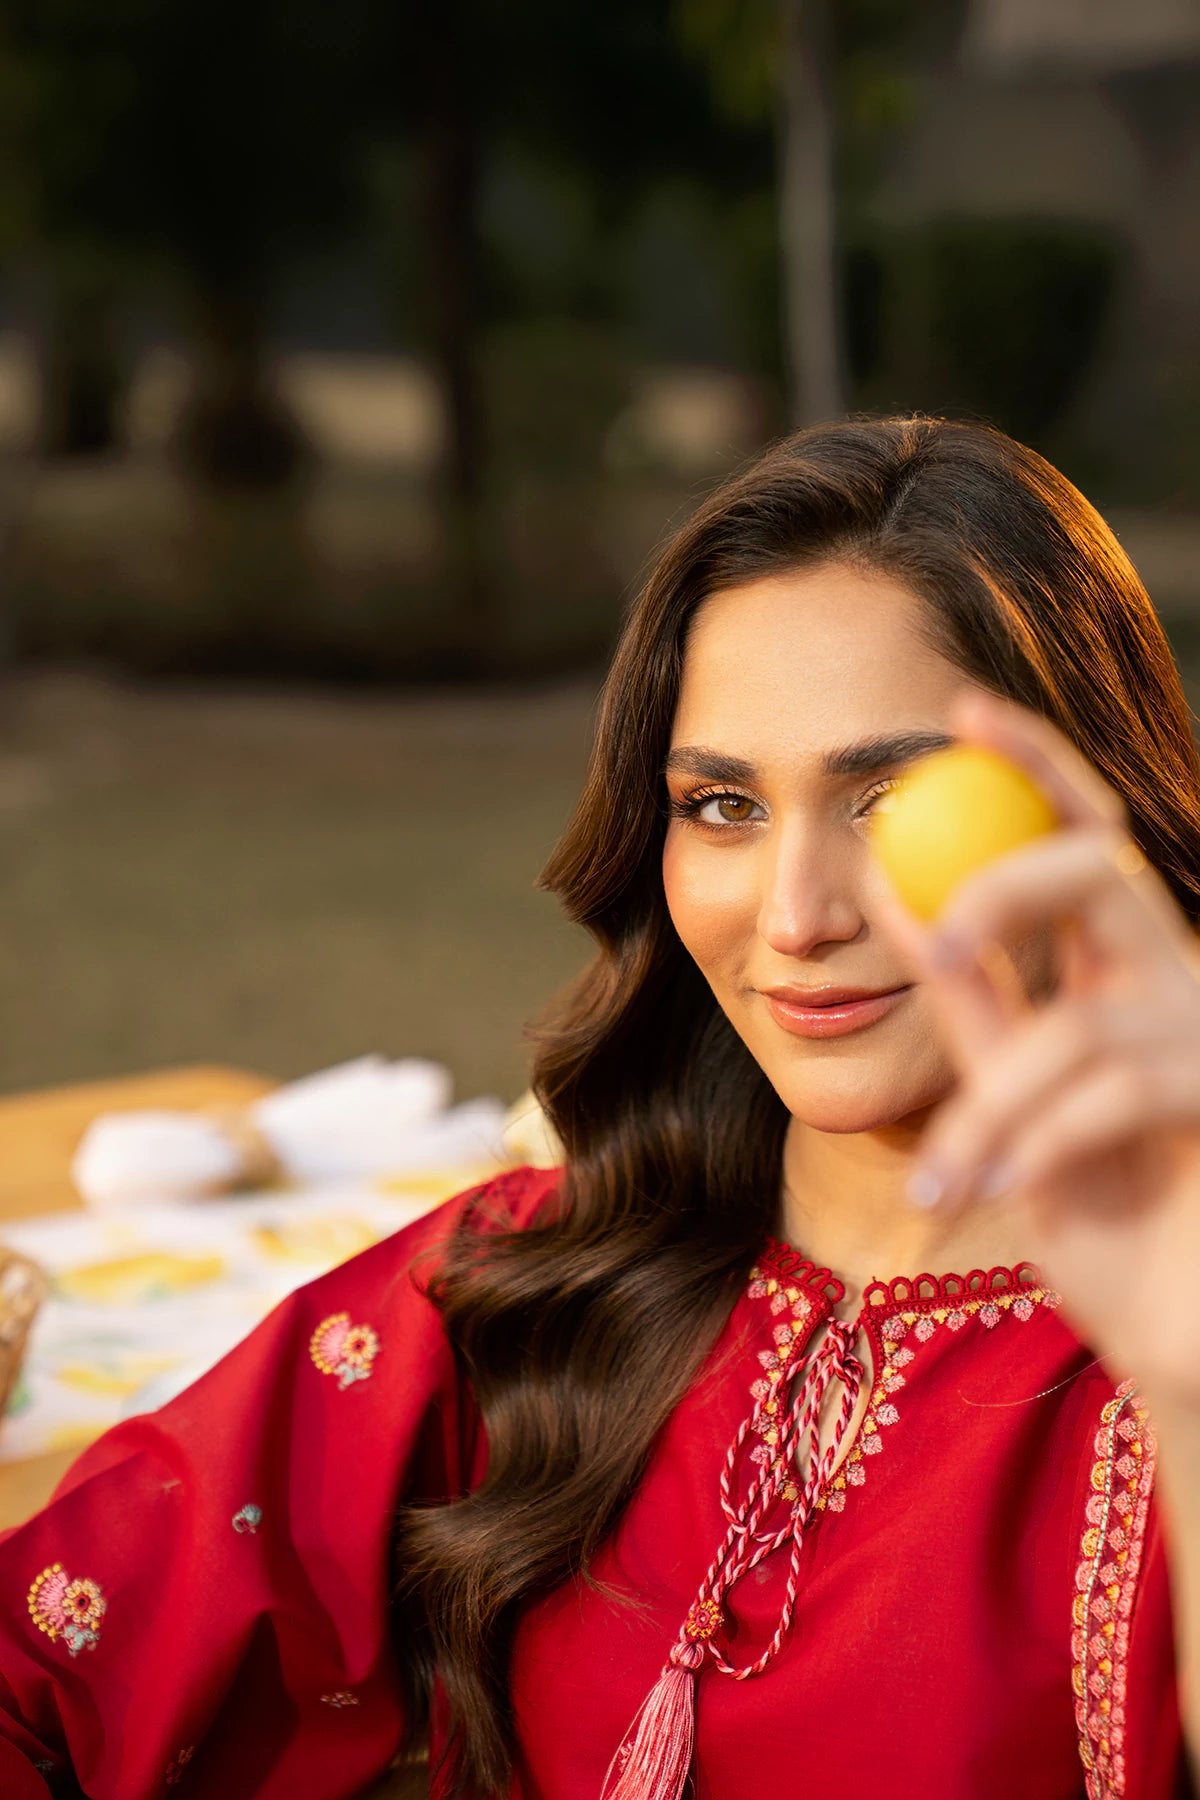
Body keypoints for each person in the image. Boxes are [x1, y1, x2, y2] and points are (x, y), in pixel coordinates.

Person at [2, 414, 1199, 1800]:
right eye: (724, 806)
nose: (796, 917)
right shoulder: (541, 1288)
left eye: (894, 798)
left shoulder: (1167, 1342)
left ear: (1094, 819)